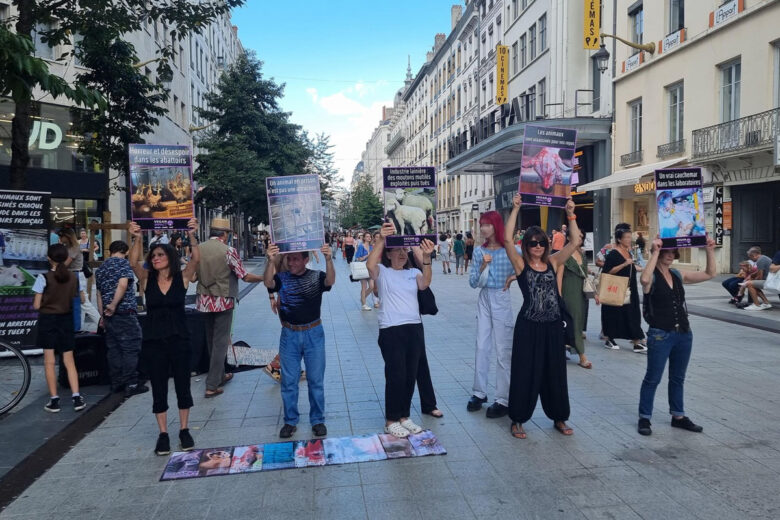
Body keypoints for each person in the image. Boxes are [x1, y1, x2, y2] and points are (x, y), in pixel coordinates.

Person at [503, 194, 580, 439]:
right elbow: (506, 239)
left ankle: (559, 416)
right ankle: (517, 418)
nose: (538, 247)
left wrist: (571, 213)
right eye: (533, 243)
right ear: (526, 245)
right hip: (528, 326)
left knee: (555, 372)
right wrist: (516, 209)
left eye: (542, 243)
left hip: (553, 326)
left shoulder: (554, 262)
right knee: (524, 371)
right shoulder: (520, 265)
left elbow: (576, 240)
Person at [129, 218, 199, 455]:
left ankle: (184, 429)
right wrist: (137, 238)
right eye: (153, 256)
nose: (155, 258)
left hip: (180, 339)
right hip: (154, 341)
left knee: (183, 385)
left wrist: (192, 235)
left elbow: (195, 259)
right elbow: (133, 262)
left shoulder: (183, 278)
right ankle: (163, 434)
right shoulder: (147, 280)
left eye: (160, 255)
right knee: (158, 386)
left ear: (169, 256)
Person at [637, 236, 717, 436]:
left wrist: (709, 249)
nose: (670, 256)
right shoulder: (652, 275)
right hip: (659, 334)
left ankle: (678, 416)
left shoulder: (677, 274)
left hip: (683, 334)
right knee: (653, 378)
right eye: (666, 252)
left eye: (673, 253)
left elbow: (710, 273)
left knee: (677, 378)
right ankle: (644, 417)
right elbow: (644, 280)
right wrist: (654, 252)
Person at [366, 222, 435, 438]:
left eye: (404, 250)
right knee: (396, 375)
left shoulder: (413, 272)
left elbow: (425, 283)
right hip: (391, 330)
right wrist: (381, 240)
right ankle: (391, 419)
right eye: (398, 249)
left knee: (410, 375)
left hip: (413, 328)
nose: (403, 253)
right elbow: (370, 265)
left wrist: (426, 257)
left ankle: (404, 416)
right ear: (389, 253)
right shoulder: (383, 272)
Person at [264, 242, 335, 439]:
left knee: (315, 379)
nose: (292, 262)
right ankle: (290, 421)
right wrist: (271, 261)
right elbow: (268, 283)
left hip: (313, 332)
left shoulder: (315, 277)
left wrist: (329, 259)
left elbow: (330, 281)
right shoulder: (282, 278)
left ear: (306, 260)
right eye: (289, 258)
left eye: (296, 259)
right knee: (289, 380)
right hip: (290, 334)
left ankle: (318, 420)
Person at [196, 218, 264, 398]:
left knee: (211, 341)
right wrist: (264, 278)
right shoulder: (229, 251)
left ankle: (219, 376)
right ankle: (212, 385)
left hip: (203, 301)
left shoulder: (198, 249)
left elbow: (194, 276)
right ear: (224, 234)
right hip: (223, 300)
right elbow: (244, 276)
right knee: (220, 343)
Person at [467, 211, 521, 418]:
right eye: (482, 224)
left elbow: (529, 264)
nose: (483, 228)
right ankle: (479, 393)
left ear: (496, 226)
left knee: (503, 349)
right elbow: (473, 282)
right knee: (481, 345)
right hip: (484, 298)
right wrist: (482, 266)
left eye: (487, 224)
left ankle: (503, 398)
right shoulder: (479, 252)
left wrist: (514, 277)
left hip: (501, 296)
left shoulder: (511, 250)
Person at [33, 244, 85, 413]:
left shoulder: (43, 277)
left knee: (49, 361)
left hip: (48, 320)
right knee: (69, 361)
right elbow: (80, 299)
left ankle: (54, 400)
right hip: (66, 320)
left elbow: (36, 305)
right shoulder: (74, 278)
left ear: (49, 258)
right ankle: (76, 397)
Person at [95, 238, 148, 397]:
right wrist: (114, 304)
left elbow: (99, 294)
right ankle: (131, 382)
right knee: (131, 346)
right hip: (124, 311)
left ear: (110, 251)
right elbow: (123, 285)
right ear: (125, 252)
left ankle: (116, 382)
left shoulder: (101, 268)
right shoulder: (123, 264)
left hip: (108, 316)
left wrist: (103, 314)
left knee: (114, 349)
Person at [601, 226, 647, 353]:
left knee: (633, 313)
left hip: (630, 287)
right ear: (619, 239)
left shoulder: (628, 252)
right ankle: (610, 339)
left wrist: (638, 267)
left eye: (629, 237)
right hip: (616, 288)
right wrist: (624, 264)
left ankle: (637, 341)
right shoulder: (613, 253)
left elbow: (630, 266)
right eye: (626, 237)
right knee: (613, 313)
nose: (629, 239)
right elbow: (607, 271)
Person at [556, 232, 592, 369]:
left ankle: (562, 348)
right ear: (569, 238)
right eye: (578, 236)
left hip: (581, 293)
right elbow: (559, 276)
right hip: (568, 291)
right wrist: (559, 296)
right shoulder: (564, 254)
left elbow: (586, 275)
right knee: (574, 322)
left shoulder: (582, 254)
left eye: (582, 237)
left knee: (576, 321)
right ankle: (582, 355)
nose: (580, 239)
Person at [59, 228, 100, 332]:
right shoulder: (68, 247)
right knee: (80, 304)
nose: (60, 238)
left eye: (61, 236)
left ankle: (101, 323)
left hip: (76, 274)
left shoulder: (74, 247)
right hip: (72, 275)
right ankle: (79, 328)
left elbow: (66, 264)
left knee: (84, 302)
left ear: (67, 236)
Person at [739, 246, 775, 311]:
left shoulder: (760, 261)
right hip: (771, 280)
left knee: (749, 284)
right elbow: (758, 272)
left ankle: (756, 305)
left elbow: (760, 277)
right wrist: (751, 276)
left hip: (770, 282)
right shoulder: (763, 258)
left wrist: (748, 281)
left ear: (754, 255)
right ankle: (766, 303)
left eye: (750, 256)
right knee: (751, 283)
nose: (750, 259)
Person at [354, 233, 375, 311]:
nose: (369, 238)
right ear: (364, 238)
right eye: (367, 236)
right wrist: (367, 255)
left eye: (370, 236)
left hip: (370, 268)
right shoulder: (361, 246)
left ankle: (362, 298)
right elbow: (358, 258)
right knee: (364, 286)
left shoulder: (371, 247)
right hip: (362, 268)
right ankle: (364, 304)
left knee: (372, 286)